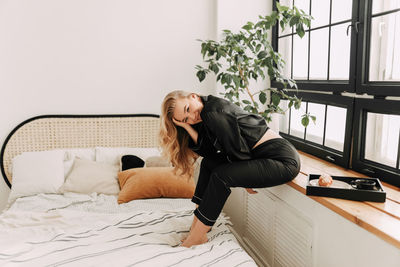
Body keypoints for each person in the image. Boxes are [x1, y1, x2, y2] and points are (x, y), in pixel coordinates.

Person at [159, 90, 301, 248]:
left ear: (193, 96)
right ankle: (196, 230)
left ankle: (198, 235)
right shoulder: (206, 112)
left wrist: (246, 178)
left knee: (221, 176)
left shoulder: (213, 111)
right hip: (263, 155)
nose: (192, 117)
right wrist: (186, 126)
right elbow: (210, 152)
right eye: (186, 118)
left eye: (187, 109)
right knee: (208, 164)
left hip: (281, 159)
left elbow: (237, 149)